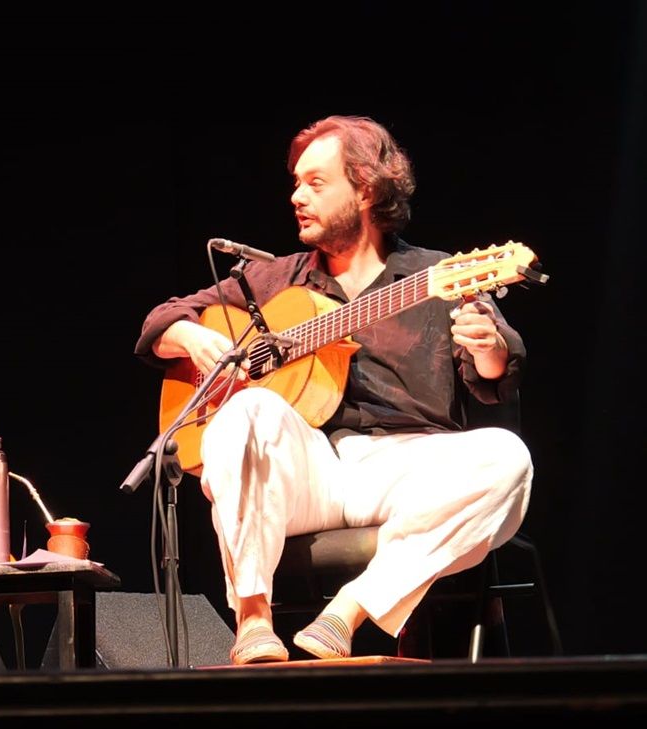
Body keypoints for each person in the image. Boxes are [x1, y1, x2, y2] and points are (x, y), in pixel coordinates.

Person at [134, 116, 532, 664]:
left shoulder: (440, 274)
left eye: (315, 183)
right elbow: (160, 322)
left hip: (406, 468)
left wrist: (486, 347)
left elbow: (495, 377)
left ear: (366, 189)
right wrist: (194, 337)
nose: (297, 197)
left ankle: (346, 612)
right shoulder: (280, 278)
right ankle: (253, 619)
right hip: (307, 472)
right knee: (247, 409)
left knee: (506, 457)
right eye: (295, 183)